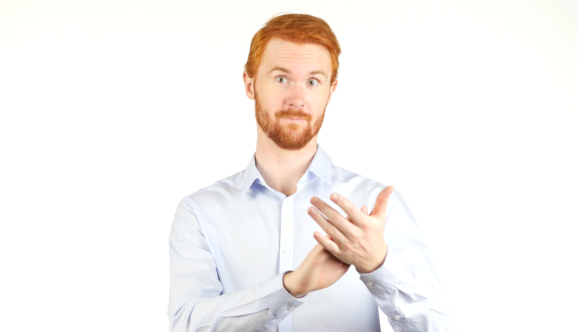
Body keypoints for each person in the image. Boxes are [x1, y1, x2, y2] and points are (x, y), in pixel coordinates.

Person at [168, 13, 455, 332]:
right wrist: (289, 287)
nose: (297, 99)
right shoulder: (200, 213)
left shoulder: (374, 208)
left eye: (312, 81)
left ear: (331, 90)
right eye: (281, 79)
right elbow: (186, 325)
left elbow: (438, 327)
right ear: (250, 84)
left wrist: (378, 266)